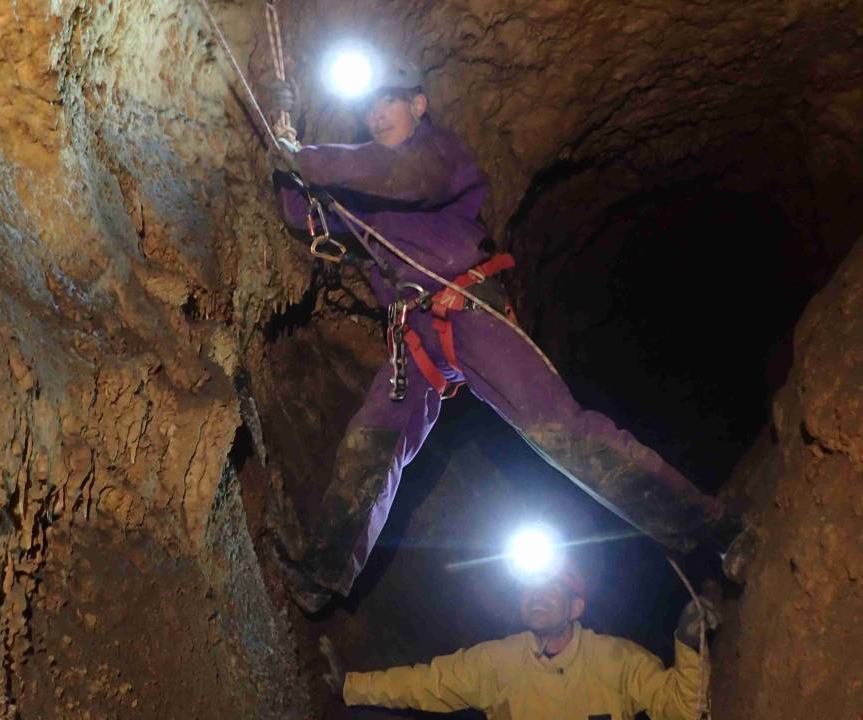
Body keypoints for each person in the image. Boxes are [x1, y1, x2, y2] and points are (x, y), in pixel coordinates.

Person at [270, 55, 752, 612]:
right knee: (371, 444)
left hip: (471, 309)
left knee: (561, 434)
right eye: (370, 105)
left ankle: (716, 532)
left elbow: (408, 180)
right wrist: (283, 152)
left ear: (418, 105)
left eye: (390, 101)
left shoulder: (439, 154)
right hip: (415, 335)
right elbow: (300, 214)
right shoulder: (360, 187)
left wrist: (310, 159)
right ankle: (321, 576)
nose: (378, 114)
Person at [317, 561, 721, 720]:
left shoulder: (616, 660)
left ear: (576, 607)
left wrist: (688, 643)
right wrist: (351, 686)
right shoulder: (499, 661)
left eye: (552, 588)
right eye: (530, 587)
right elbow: (428, 683)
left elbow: (682, 708)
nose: (537, 594)